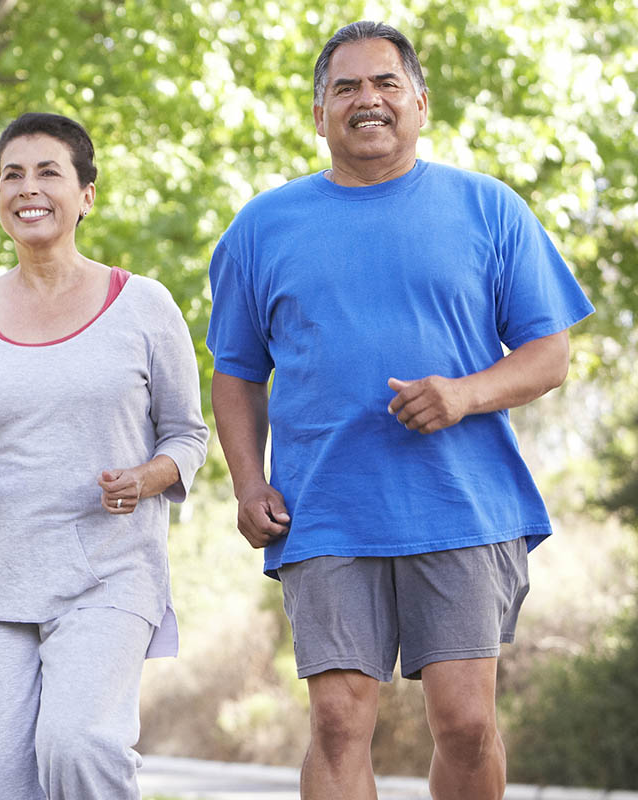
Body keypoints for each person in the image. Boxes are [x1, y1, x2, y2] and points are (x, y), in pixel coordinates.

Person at [207, 21, 594, 800]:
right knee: (340, 723)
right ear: (319, 115)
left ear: (420, 102)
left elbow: (549, 357)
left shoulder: (489, 209)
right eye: (344, 88)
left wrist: (463, 395)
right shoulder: (262, 227)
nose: (367, 100)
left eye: (385, 83)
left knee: (466, 724)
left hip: (462, 503)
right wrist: (249, 484)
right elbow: (238, 374)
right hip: (325, 509)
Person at [0, 112, 208, 800]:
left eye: (48, 172)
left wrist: (147, 477)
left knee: (80, 745)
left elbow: (187, 435)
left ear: (86, 194)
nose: (28, 188)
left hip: (107, 569)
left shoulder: (146, 308)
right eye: (12, 174)